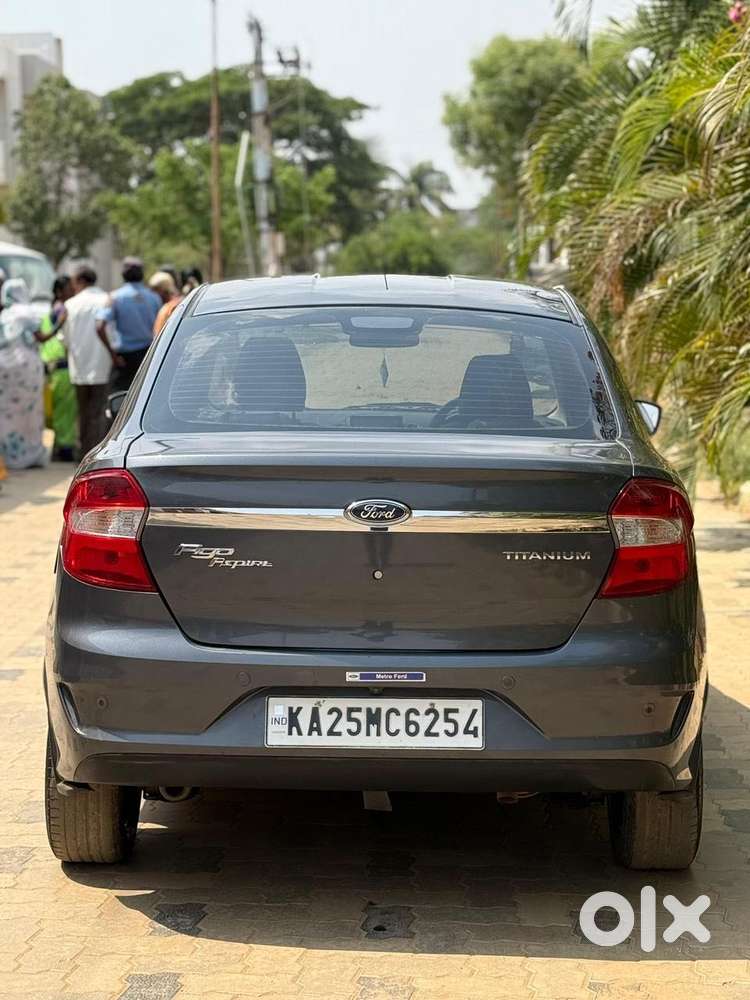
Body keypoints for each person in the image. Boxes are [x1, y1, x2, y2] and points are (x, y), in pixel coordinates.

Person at [62, 266, 114, 457]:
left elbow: (65, 339)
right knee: (100, 412)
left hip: (79, 367)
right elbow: (111, 332)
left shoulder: (70, 305)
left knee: (83, 412)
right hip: (103, 364)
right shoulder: (106, 300)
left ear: (81, 281)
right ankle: (96, 456)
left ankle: (83, 454)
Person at [0, 278, 47, 468]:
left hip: (4, 366)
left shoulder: (3, 315)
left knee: (7, 412)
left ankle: (10, 457)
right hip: (27, 368)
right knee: (30, 411)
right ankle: (30, 454)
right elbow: (41, 337)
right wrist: (60, 324)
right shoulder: (27, 312)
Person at [96, 256, 160, 392]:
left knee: (118, 402)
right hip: (148, 357)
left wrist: (113, 356)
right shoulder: (154, 298)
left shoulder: (115, 297)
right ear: (142, 275)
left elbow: (99, 326)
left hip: (124, 360)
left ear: (123, 275)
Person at [38, 275, 77, 461]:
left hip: (52, 369)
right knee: (65, 411)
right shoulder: (63, 311)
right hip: (63, 368)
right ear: (60, 291)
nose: (73, 290)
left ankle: (59, 446)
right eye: (70, 288)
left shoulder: (51, 310)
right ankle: (65, 449)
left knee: (55, 410)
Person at [149, 270, 180, 335]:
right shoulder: (164, 307)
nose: (153, 294)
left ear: (164, 290)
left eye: (156, 290)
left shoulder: (171, 307)